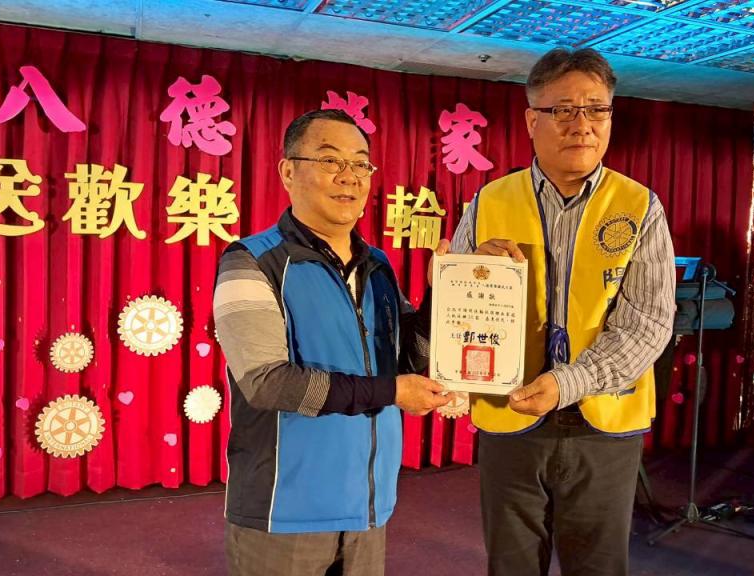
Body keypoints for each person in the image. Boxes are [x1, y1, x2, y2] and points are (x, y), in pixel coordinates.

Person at [449, 47, 676, 576]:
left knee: (598, 567)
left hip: (604, 424)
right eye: (563, 110)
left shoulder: (640, 206)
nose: (582, 125)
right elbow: (455, 313)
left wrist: (567, 382)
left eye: (597, 109)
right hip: (510, 416)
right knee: (510, 565)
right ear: (532, 121)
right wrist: (470, 274)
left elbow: (648, 323)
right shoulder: (488, 202)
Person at [214, 109, 449, 576]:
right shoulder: (251, 261)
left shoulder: (377, 265)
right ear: (288, 172)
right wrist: (393, 392)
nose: (349, 176)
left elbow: (410, 358)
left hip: (368, 506)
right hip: (284, 512)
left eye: (361, 163)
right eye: (329, 160)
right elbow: (267, 383)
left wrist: (442, 296)